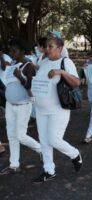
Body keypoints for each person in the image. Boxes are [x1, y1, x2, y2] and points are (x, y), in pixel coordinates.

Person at [31, 35, 82, 183]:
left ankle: (74, 154)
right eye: (46, 46)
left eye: (50, 46)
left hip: (58, 109)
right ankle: (49, 170)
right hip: (41, 109)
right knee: (44, 141)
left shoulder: (65, 62)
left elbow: (77, 83)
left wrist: (62, 72)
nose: (47, 49)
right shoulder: (44, 61)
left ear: (59, 48)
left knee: (54, 139)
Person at [0, 39, 41, 175]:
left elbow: (30, 87)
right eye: (10, 51)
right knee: (11, 135)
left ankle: (41, 149)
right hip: (10, 105)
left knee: (21, 135)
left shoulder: (28, 66)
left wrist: (20, 77)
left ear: (22, 51)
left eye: (14, 51)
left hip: (24, 105)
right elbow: (6, 82)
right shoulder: (12, 65)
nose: (11, 53)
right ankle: (14, 165)